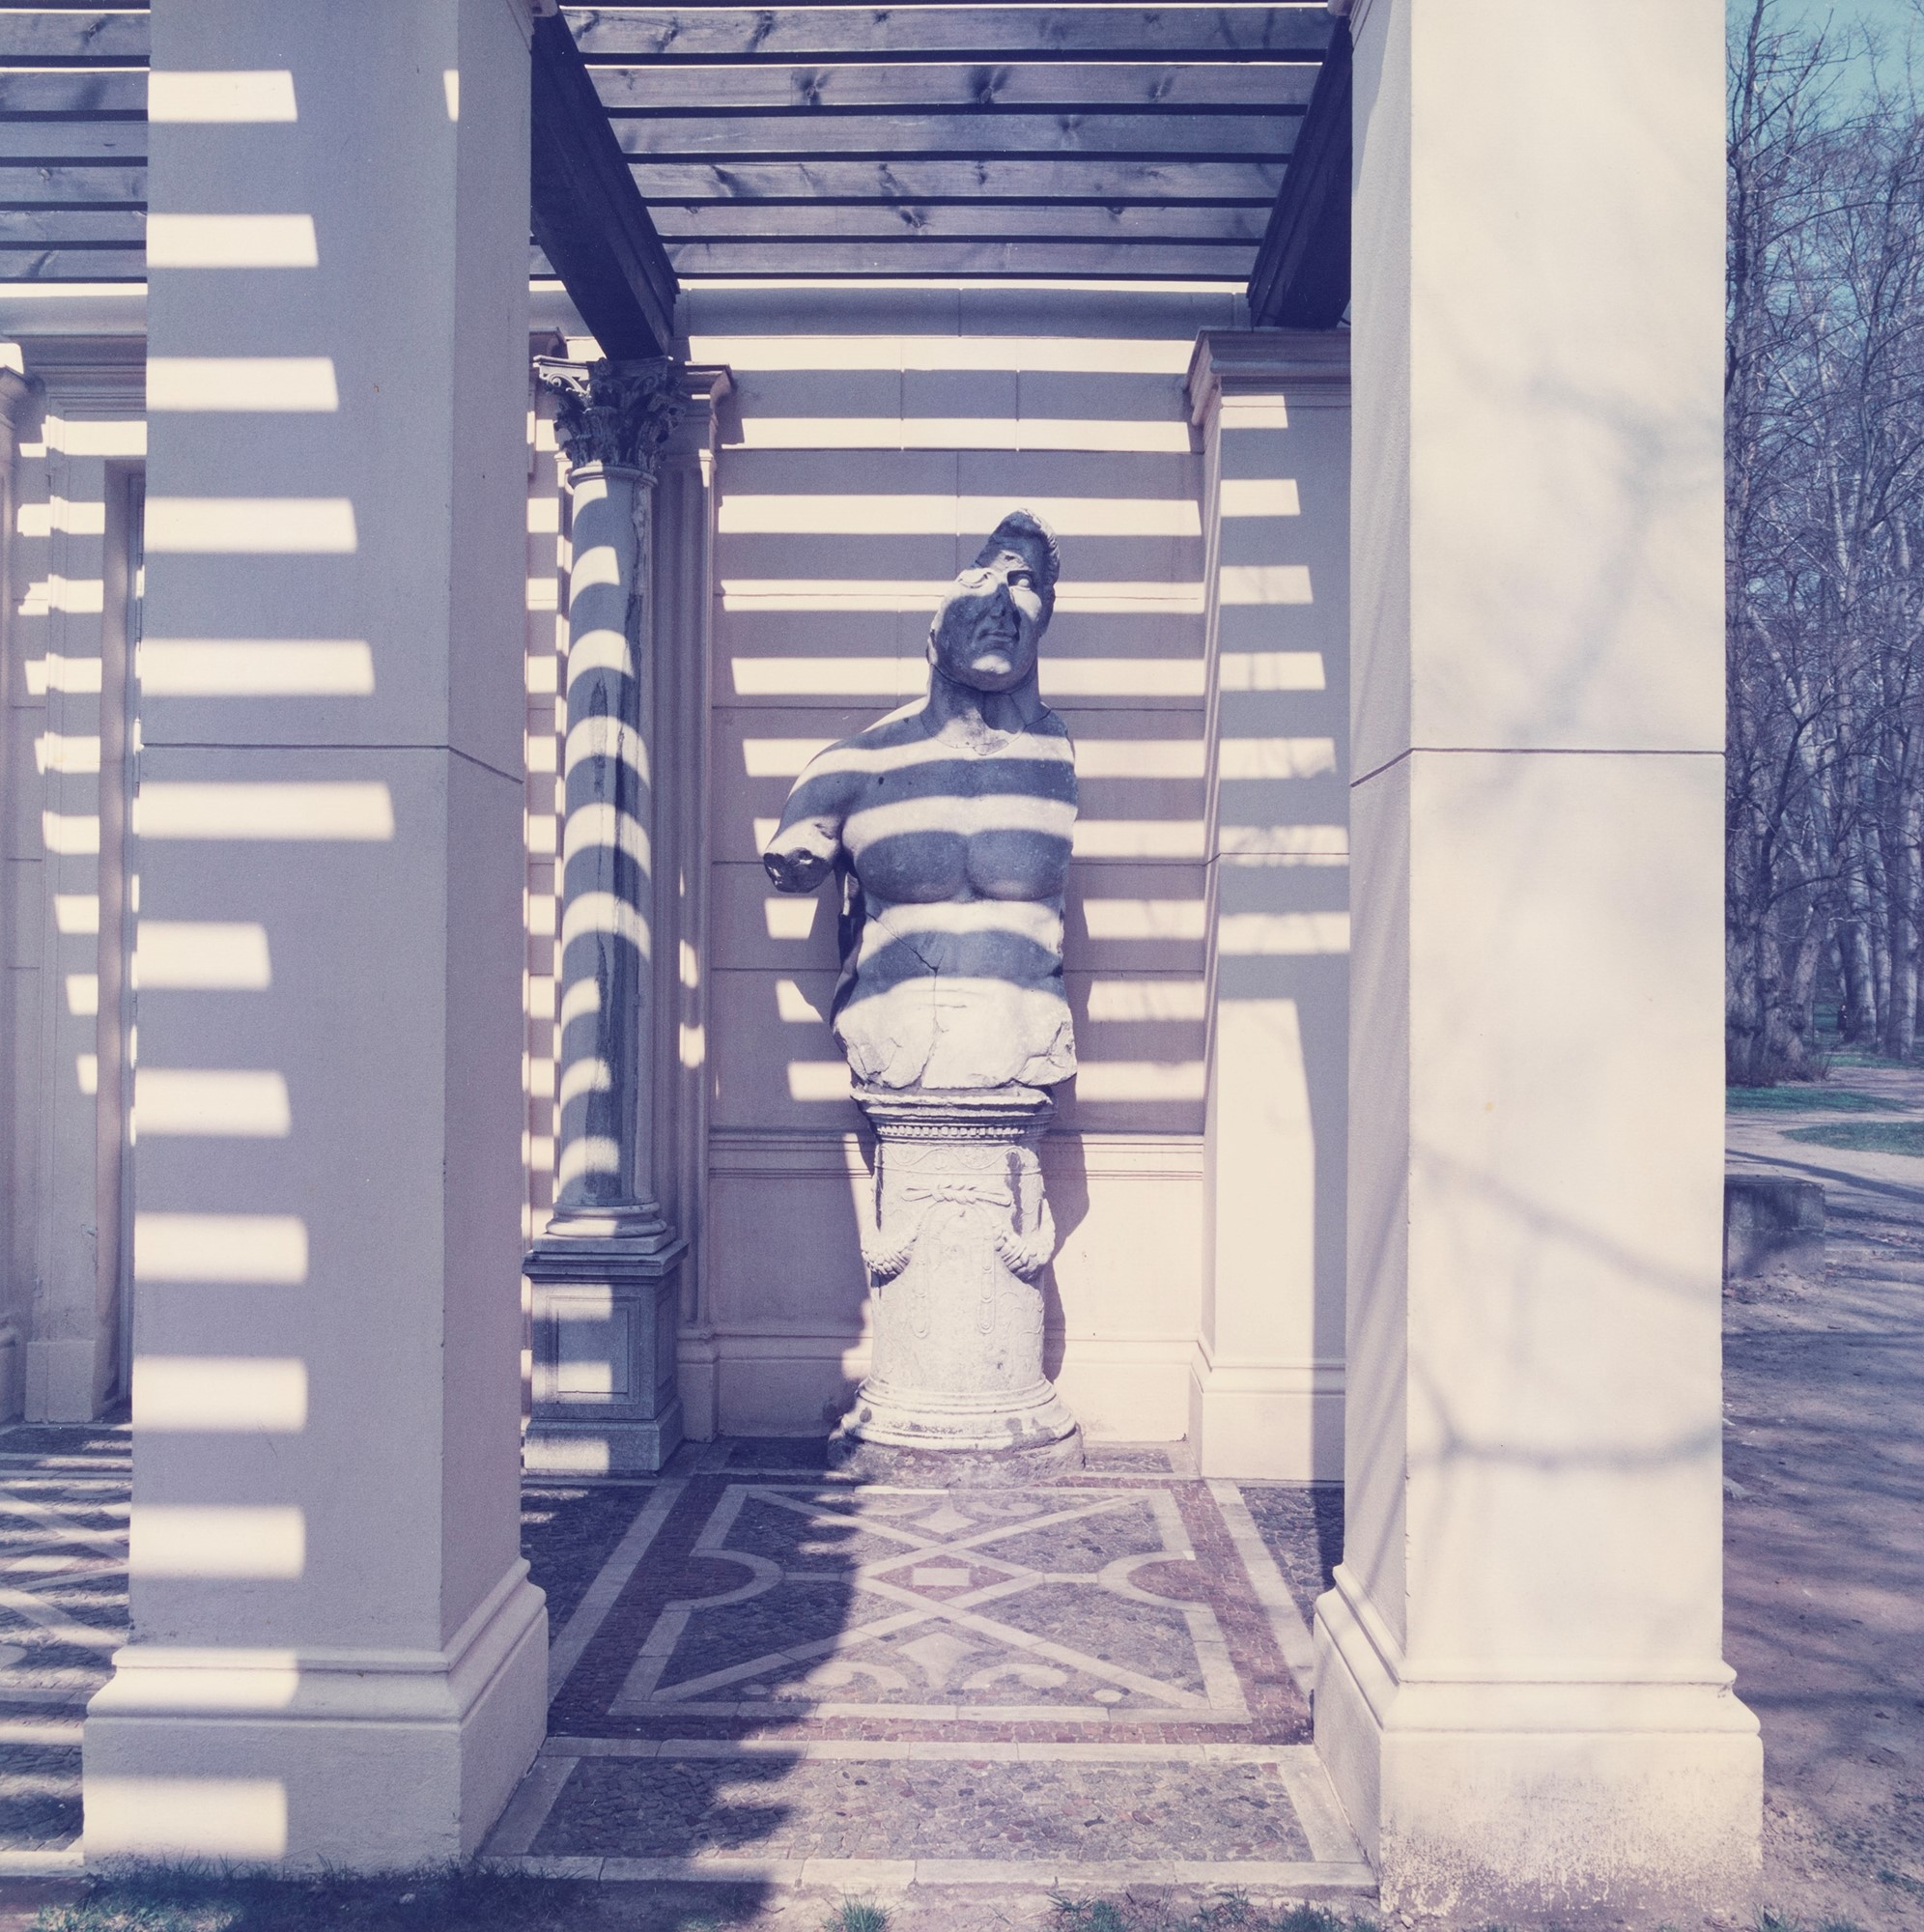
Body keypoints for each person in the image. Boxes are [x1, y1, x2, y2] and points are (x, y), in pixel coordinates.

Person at [762, 510, 1079, 1092]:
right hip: (890, 1046)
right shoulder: (849, 771)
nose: (1002, 605)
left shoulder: (1056, 761)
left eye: (1024, 583)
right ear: (934, 632)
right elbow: (793, 859)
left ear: (1046, 616)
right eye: (981, 580)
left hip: (1029, 1048)